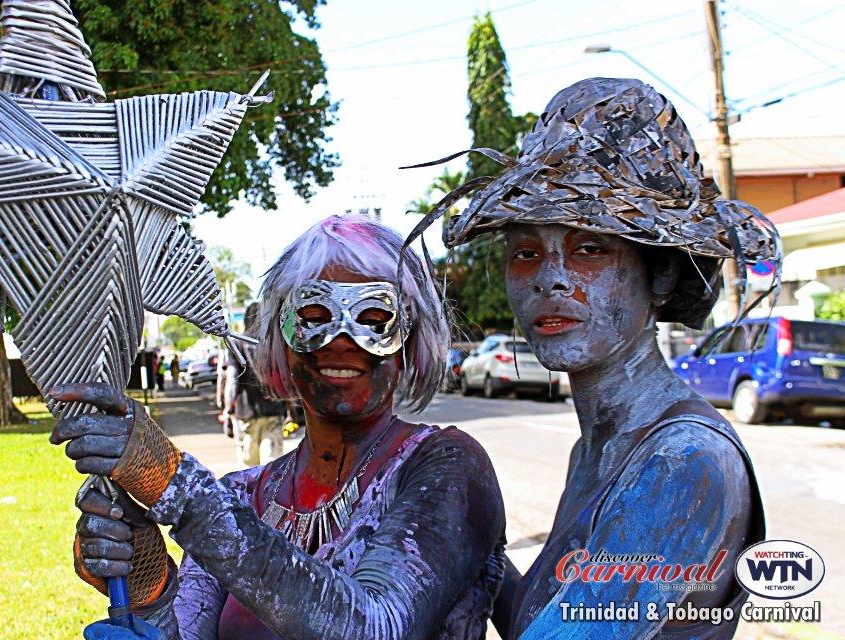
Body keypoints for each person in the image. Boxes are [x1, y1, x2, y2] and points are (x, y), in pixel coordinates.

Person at [426, 78, 777, 639]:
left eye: (590, 249)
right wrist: (479, 552)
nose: (550, 278)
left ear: (660, 273)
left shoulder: (680, 463)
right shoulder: (597, 450)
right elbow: (546, 621)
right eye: (526, 252)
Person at [49, 214, 506, 639]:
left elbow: (376, 626)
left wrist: (174, 485)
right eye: (314, 318)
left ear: (409, 341)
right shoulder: (242, 495)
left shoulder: (446, 467)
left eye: (372, 319)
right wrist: (150, 582)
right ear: (281, 342)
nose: (342, 341)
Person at [223, 302, 286, 466]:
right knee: (272, 468)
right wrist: (291, 410)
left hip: (246, 413)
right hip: (274, 411)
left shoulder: (236, 344)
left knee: (249, 469)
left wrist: (228, 409)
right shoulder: (274, 345)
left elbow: (232, 378)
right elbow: (285, 379)